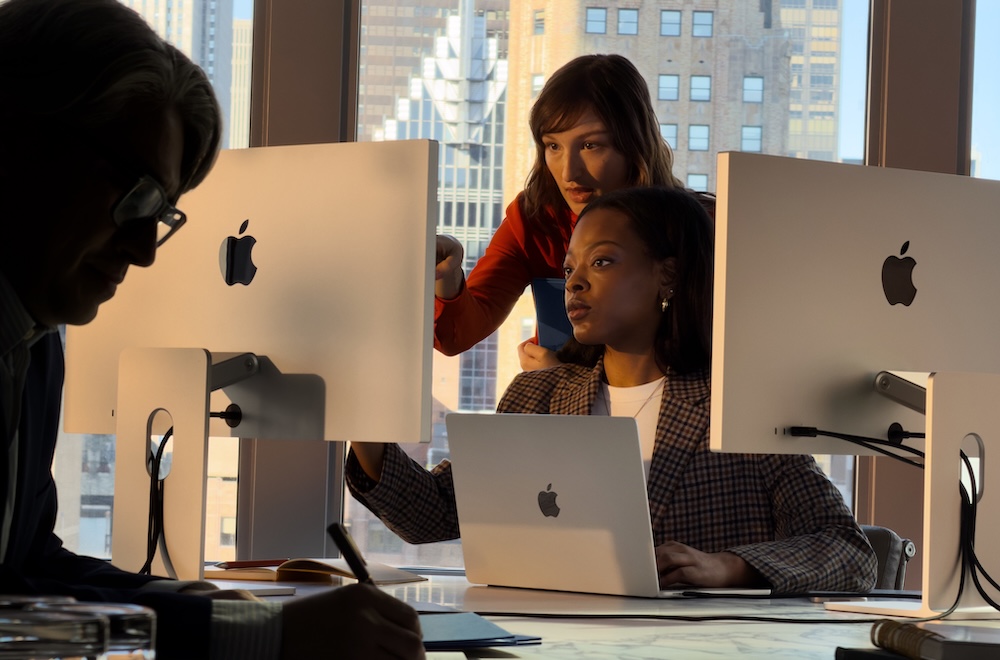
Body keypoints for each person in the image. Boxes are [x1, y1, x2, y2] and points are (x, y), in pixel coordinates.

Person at [0, 1, 423, 658]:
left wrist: (209, 605)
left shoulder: (33, 341)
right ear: (20, 136)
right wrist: (257, 635)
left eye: (161, 212)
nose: (143, 252)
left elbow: (28, 566)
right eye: (135, 196)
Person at [349, 186, 878, 594]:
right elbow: (433, 516)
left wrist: (728, 567)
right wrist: (365, 405)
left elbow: (849, 553)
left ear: (667, 277)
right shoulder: (538, 398)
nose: (574, 283)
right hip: (547, 640)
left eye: (601, 262)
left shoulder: (738, 404)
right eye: (569, 268)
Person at [433, 53, 714, 371]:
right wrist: (450, 277)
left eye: (590, 145)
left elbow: (727, 359)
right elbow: (455, 336)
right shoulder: (535, 218)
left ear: (634, 144)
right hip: (561, 416)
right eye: (553, 146)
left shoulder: (702, 226)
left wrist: (564, 383)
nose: (569, 171)